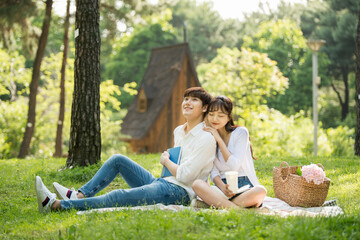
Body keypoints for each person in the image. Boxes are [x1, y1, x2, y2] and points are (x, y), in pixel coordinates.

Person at [35, 87, 216, 213]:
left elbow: (185, 176)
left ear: (205, 108)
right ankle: (79, 195)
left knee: (118, 195)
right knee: (117, 160)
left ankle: (55, 205)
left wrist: (166, 161)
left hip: (179, 193)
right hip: (162, 182)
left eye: (194, 100)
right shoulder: (179, 130)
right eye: (186, 99)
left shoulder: (206, 138)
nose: (187, 103)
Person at [192, 96, 267, 209]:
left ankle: (218, 205)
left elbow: (234, 165)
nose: (215, 119)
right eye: (211, 114)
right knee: (197, 184)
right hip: (222, 188)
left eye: (220, 115)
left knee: (261, 191)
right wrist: (222, 187)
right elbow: (213, 172)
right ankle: (238, 209)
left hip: (244, 187)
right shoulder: (209, 138)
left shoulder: (241, 132)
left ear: (228, 117)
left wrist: (219, 140)